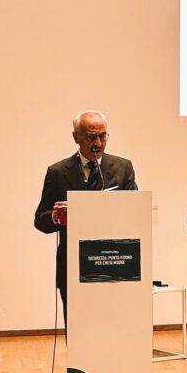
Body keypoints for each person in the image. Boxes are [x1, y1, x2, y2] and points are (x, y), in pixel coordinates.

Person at [34, 110, 138, 322]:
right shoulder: (58, 172)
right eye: (91, 137)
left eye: (103, 136)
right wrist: (57, 216)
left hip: (114, 261)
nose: (98, 143)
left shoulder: (123, 168)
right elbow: (40, 220)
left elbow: (136, 212)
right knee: (78, 326)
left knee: (113, 325)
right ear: (76, 137)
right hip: (74, 265)